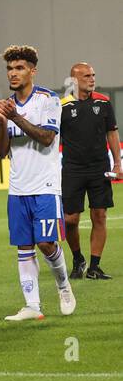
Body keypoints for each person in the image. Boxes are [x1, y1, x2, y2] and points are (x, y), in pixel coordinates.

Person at [0, 45, 76, 320]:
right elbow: (1, 152)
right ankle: (32, 306)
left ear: (32, 71)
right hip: (18, 188)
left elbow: (47, 138)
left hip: (46, 187)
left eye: (19, 68)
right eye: (9, 69)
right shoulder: (6, 105)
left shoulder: (48, 100)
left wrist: (15, 116)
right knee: (24, 247)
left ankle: (63, 285)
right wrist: (3, 122)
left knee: (46, 244)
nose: (12, 74)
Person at [60, 62, 121, 280]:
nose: (92, 78)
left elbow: (112, 134)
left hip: (99, 168)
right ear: (74, 80)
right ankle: (78, 259)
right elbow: (52, 139)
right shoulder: (62, 106)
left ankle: (95, 266)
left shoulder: (103, 103)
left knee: (100, 216)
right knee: (70, 220)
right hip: (72, 169)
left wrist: (117, 164)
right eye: (87, 75)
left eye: (93, 75)